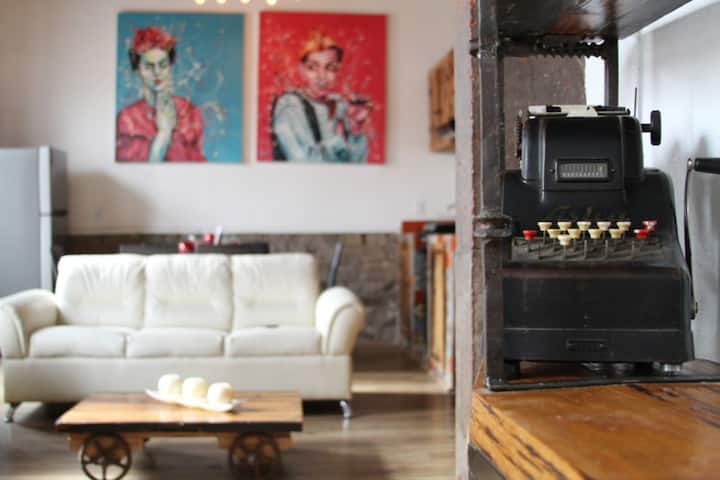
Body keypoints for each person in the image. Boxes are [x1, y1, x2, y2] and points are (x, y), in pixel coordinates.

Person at [271, 30, 371, 163]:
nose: (321, 76)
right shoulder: (290, 105)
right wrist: (338, 141)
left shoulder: (341, 105)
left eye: (330, 68)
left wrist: (356, 130)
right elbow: (301, 161)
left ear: (338, 70)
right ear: (301, 70)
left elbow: (356, 163)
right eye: (312, 67)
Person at [116, 26, 205, 162]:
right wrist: (163, 135)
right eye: (149, 66)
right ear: (138, 69)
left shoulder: (190, 113)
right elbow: (135, 171)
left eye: (163, 65)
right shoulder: (127, 118)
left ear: (170, 66)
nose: (157, 72)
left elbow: (197, 165)